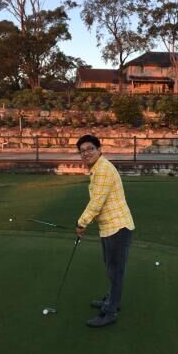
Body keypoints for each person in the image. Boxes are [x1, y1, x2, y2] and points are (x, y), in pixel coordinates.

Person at [76, 134, 135, 328]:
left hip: (118, 228)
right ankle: (111, 300)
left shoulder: (103, 170)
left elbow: (96, 203)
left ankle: (110, 311)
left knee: (115, 271)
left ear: (99, 150)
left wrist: (82, 223)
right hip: (110, 228)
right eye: (82, 151)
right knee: (111, 268)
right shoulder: (98, 168)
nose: (86, 153)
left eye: (90, 149)